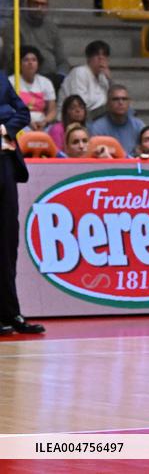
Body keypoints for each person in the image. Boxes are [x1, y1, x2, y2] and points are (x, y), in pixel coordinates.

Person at [0, 72, 42, 334]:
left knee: (7, 242)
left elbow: (23, 112)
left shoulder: (1, 78)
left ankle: (10, 312)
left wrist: (6, 127)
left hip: (5, 164)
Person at [9, 45, 55, 131]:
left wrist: (44, 122)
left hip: (42, 125)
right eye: (26, 60)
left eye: (34, 60)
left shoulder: (46, 82)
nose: (30, 63)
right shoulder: (11, 81)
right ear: (19, 63)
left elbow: (52, 110)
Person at [88, 84, 144, 153]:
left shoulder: (139, 125)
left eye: (124, 99)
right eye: (115, 99)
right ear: (108, 103)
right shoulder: (97, 128)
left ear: (129, 103)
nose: (120, 102)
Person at [59, 40, 111, 113]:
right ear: (88, 58)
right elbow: (79, 104)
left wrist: (110, 80)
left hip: (97, 116)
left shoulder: (103, 77)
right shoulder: (79, 72)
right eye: (97, 55)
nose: (101, 58)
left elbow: (111, 99)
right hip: (72, 117)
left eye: (104, 55)